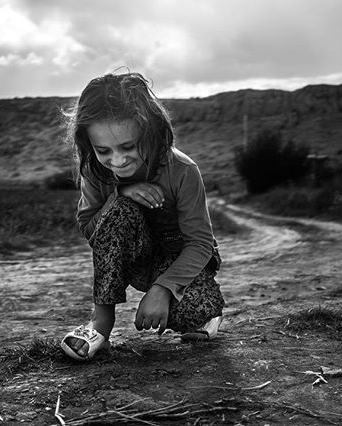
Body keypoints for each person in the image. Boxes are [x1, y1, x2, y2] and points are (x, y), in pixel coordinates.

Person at [60, 71, 225, 361]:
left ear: (152, 133)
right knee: (121, 211)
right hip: (138, 260)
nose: (117, 160)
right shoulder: (96, 173)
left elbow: (200, 244)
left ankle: (206, 315)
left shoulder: (183, 170)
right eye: (103, 150)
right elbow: (90, 230)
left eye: (128, 146)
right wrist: (120, 195)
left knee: (195, 313)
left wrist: (163, 289)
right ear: (89, 145)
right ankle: (100, 325)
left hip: (179, 262)